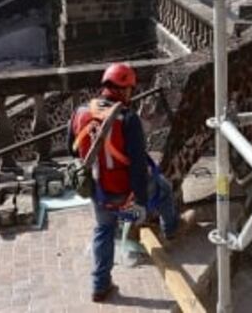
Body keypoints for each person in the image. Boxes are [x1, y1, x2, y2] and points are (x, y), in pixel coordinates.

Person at [68, 62, 180, 302]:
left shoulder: (80, 112)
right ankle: (170, 230)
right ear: (124, 90)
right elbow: (138, 167)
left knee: (103, 230)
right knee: (165, 189)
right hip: (124, 193)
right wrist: (139, 201)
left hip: (98, 191)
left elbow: (72, 148)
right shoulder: (128, 119)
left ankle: (100, 285)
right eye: (130, 89)